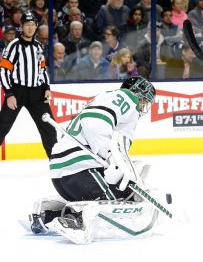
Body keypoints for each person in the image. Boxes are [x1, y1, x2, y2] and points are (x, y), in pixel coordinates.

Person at [27, 76, 159, 244]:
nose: (143, 106)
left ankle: (47, 217)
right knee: (123, 196)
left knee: (110, 191)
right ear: (138, 94)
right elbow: (95, 122)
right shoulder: (128, 98)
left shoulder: (106, 98)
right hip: (81, 171)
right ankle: (75, 221)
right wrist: (108, 153)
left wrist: (114, 159)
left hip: (63, 175)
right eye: (144, 101)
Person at [0, 11, 57, 158]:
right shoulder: (13, 46)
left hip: (37, 93)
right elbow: (4, 71)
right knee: (2, 126)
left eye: (33, 24)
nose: (30, 28)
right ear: (22, 26)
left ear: (37, 26)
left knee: (49, 128)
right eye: (27, 24)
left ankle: (56, 163)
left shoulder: (38, 47)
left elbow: (42, 69)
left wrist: (47, 88)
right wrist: (9, 94)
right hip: (17, 92)